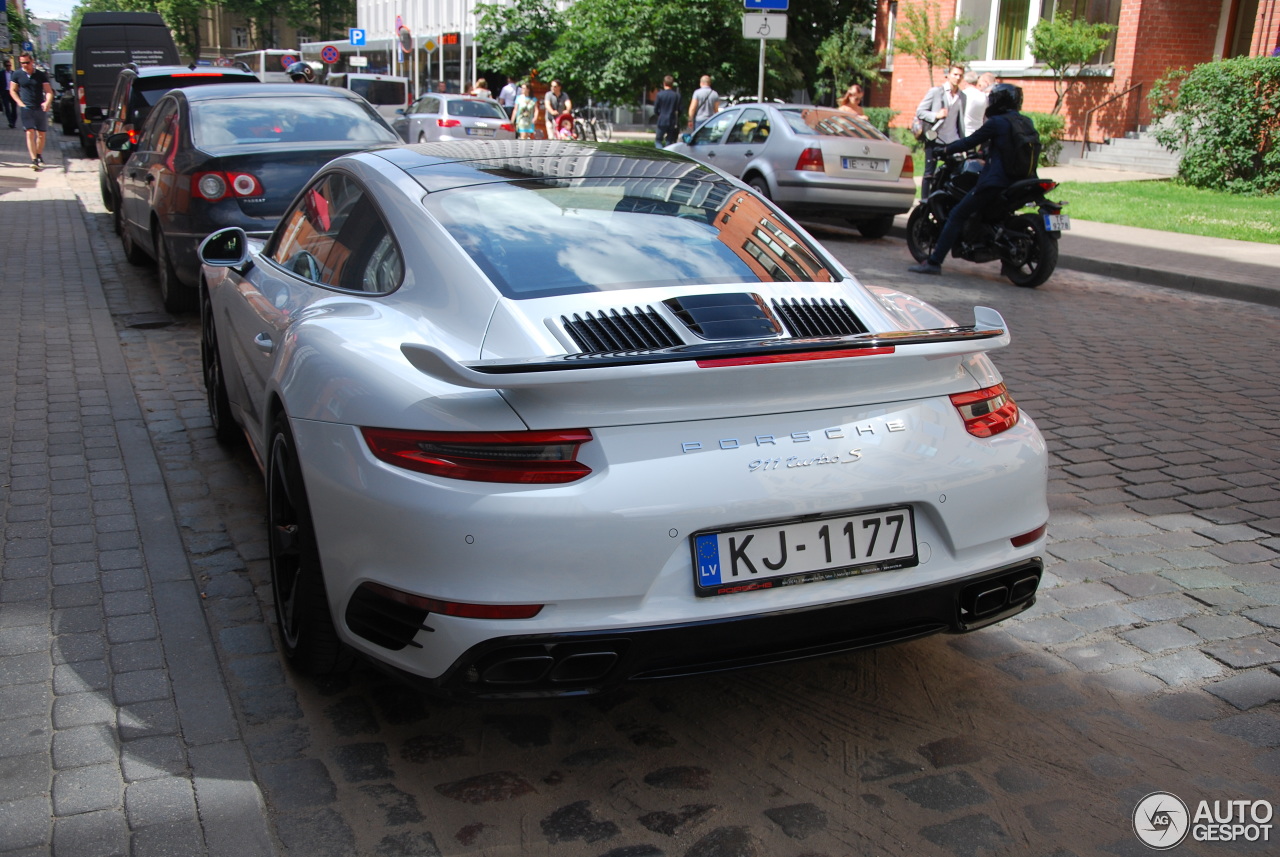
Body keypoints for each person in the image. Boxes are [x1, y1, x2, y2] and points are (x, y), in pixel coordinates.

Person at [908, 83, 1034, 276]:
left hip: (995, 181)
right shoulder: (1025, 121)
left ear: (998, 101)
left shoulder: (997, 122)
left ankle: (934, 262)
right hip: (1022, 180)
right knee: (1000, 215)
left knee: (958, 214)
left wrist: (946, 149)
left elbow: (970, 142)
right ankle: (1006, 260)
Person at [915, 64, 967, 199]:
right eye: (955, 74)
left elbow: (960, 121)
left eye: (960, 75)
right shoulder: (936, 92)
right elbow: (920, 111)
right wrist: (936, 115)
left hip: (952, 139)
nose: (957, 78)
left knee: (953, 172)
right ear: (948, 75)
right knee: (929, 173)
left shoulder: (962, 96)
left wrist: (963, 142)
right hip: (935, 137)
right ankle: (924, 202)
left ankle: (945, 199)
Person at [9, 53, 54, 170]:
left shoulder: (40, 75)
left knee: (41, 134)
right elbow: (12, 90)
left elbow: (48, 91)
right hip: (26, 108)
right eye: (22, 63)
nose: (25, 65)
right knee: (30, 132)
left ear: (32, 61)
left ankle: (39, 154)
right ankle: (34, 160)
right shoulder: (17, 74)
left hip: (39, 108)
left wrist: (47, 102)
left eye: (27, 63)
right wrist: (20, 103)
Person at [961, 71, 993, 136]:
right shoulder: (983, 96)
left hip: (964, 132)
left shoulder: (962, 95)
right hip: (979, 132)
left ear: (964, 82)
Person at [653, 75, 680, 147]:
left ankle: (660, 154)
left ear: (664, 83)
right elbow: (679, 109)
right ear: (672, 84)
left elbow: (655, 109)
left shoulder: (660, 95)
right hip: (672, 120)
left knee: (658, 140)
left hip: (662, 119)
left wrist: (659, 114)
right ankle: (668, 154)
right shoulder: (676, 96)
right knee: (669, 140)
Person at [2, 59, 17, 128]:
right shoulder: (1, 74)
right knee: (7, 108)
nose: (9, 67)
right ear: (5, 66)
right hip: (5, 92)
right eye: (7, 65)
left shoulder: (14, 73)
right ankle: (10, 122)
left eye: (10, 65)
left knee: (14, 108)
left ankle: (13, 122)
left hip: (13, 92)